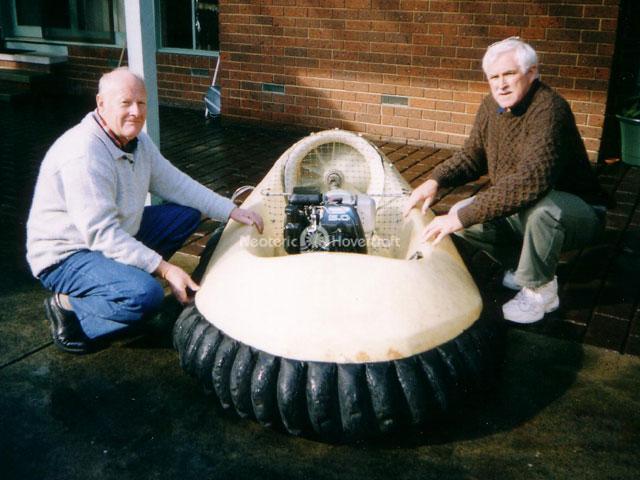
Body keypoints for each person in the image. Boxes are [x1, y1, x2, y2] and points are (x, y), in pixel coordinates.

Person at [26, 67, 264, 354]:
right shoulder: (84, 154)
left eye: (141, 103)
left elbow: (177, 184)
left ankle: (120, 276)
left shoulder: (136, 141)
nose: (136, 112)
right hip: (66, 254)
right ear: (101, 104)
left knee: (185, 214)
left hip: (112, 234)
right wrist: (164, 269)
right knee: (145, 296)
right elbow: (101, 235)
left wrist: (230, 210)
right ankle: (68, 306)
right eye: (125, 103)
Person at [403, 37, 611, 324]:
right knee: (461, 215)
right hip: (527, 205)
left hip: (577, 212)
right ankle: (525, 268)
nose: (501, 84)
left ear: (532, 72)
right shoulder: (491, 107)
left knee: (541, 211)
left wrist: (463, 216)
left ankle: (541, 291)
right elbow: (471, 156)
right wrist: (435, 181)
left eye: (509, 74)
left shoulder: (549, 109)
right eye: (494, 77)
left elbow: (532, 180)